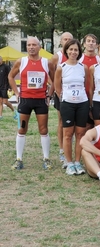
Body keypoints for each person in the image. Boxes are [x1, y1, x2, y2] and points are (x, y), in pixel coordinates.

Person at [8, 36, 55, 170]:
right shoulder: (21, 61)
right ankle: (19, 159)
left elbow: (55, 80)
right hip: (25, 100)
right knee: (22, 129)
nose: (31, 47)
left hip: (41, 100)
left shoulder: (47, 63)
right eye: (28, 45)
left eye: (34, 45)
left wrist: (49, 95)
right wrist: (17, 93)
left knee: (43, 129)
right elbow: (10, 76)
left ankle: (46, 159)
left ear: (40, 47)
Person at [54, 39, 90, 175]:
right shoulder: (61, 67)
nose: (73, 52)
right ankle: (69, 163)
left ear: (79, 51)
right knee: (68, 134)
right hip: (67, 104)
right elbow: (57, 88)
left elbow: (87, 85)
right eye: (71, 49)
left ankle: (77, 162)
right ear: (66, 51)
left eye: (76, 50)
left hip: (82, 103)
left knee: (80, 134)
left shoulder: (83, 67)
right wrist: (65, 99)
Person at [50, 32, 73, 167]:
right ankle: (61, 150)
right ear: (61, 41)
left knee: (75, 125)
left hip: (76, 95)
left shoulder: (76, 55)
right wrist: (53, 91)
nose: (67, 41)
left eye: (70, 39)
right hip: (61, 95)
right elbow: (50, 75)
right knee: (62, 122)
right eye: (65, 39)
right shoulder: (57, 57)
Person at [79, 34, 100, 129]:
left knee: (97, 125)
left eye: (93, 41)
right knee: (84, 126)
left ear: (96, 45)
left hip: (97, 97)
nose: (91, 43)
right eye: (88, 41)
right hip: (82, 97)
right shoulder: (79, 59)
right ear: (84, 44)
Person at [0, 56, 17, 120]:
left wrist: (10, 86)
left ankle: (14, 111)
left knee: (5, 102)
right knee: (0, 102)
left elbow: (11, 77)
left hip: (5, 87)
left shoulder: (6, 67)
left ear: (1, 60)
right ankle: (0, 116)